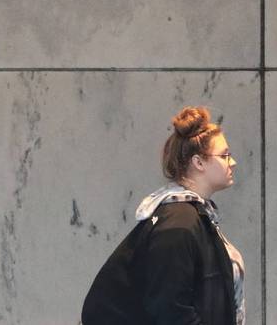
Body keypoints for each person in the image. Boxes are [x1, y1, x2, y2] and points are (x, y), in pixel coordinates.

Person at [82, 106, 245, 325]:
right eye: (225, 155)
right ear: (198, 163)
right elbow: (170, 311)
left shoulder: (188, 216)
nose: (232, 162)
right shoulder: (178, 224)